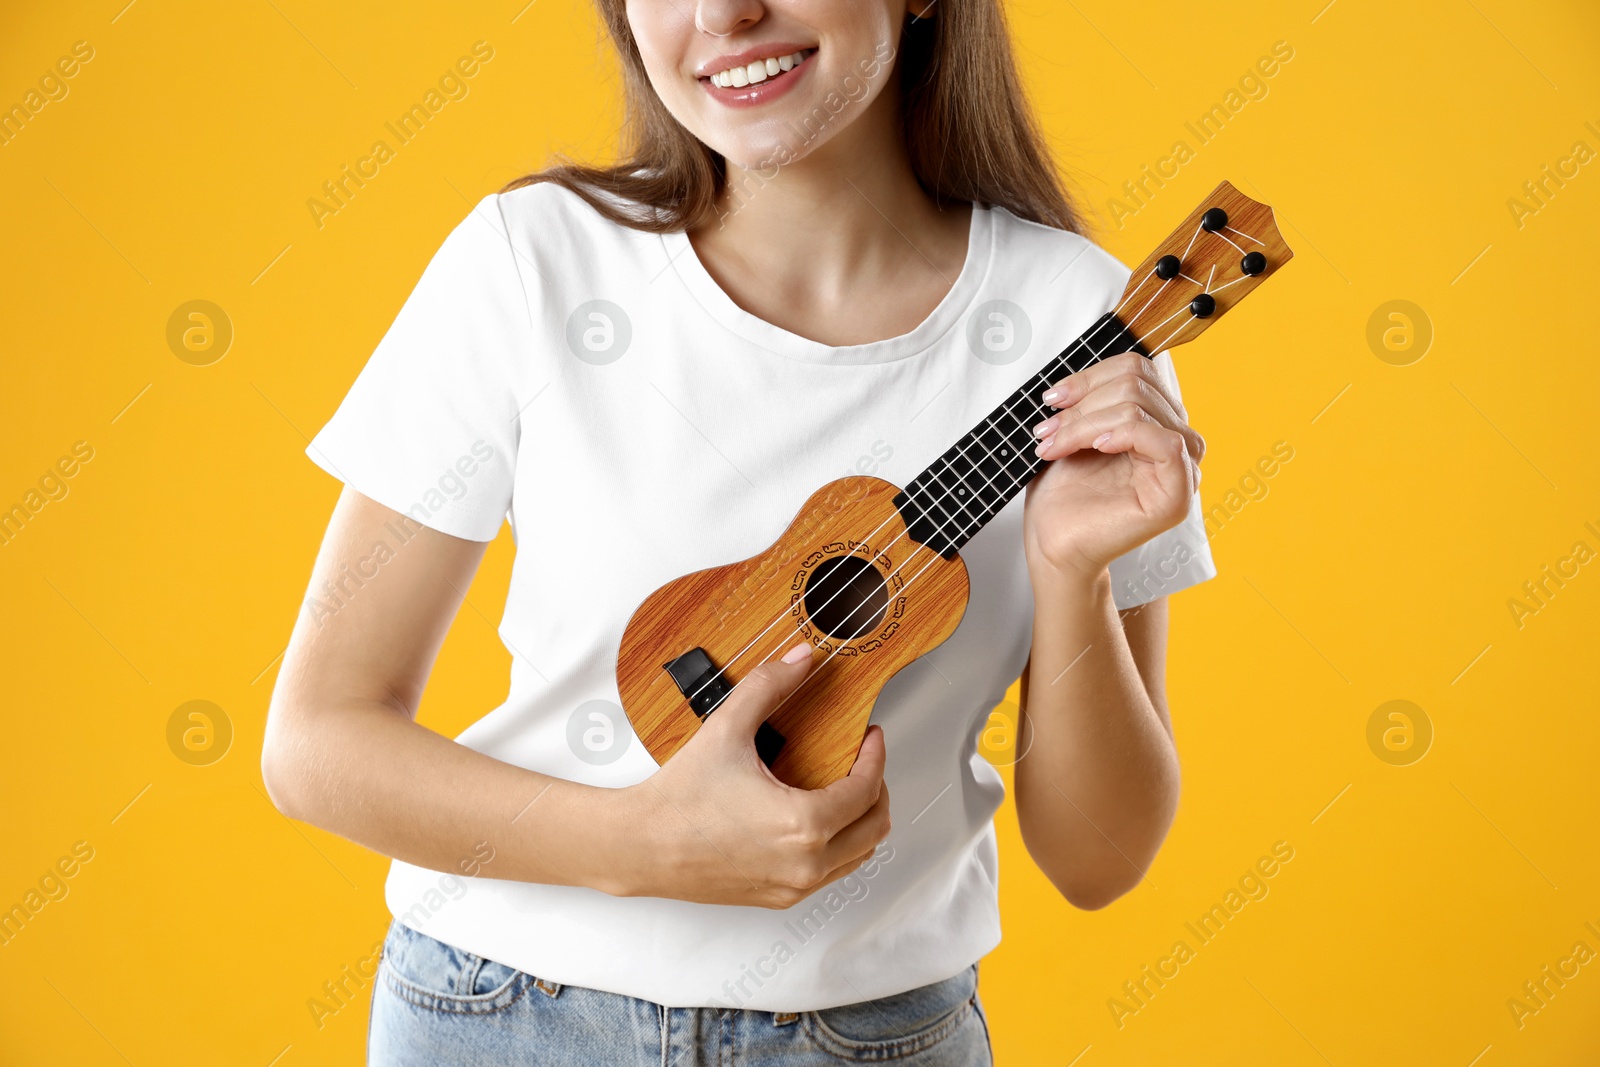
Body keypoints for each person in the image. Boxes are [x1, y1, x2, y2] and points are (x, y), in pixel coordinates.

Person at [261, 0, 1215, 1062]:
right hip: (502, 1017)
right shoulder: (533, 265)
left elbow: (1098, 860)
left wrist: (1069, 571)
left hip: (872, 1034)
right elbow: (316, 742)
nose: (724, 12)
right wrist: (643, 846)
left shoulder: (1080, 324)